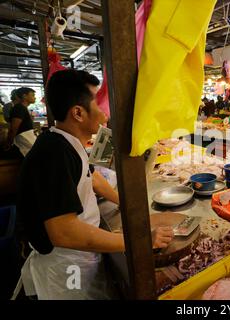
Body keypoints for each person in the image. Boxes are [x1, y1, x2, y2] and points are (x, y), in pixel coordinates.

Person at [18, 69, 174, 300]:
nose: (105, 114)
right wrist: (139, 242)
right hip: (66, 266)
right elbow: (64, 233)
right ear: (78, 113)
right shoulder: (53, 153)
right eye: (100, 105)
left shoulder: (67, 141)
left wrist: (127, 204)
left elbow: (93, 178)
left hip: (81, 255)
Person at [5, 87, 37, 157]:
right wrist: (8, 144)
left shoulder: (23, 108)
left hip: (26, 139)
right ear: (24, 96)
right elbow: (13, 129)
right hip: (22, 141)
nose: (35, 98)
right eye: (33, 95)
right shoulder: (19, 108)